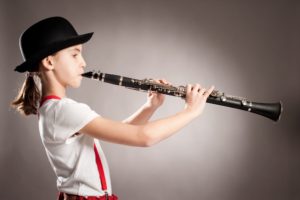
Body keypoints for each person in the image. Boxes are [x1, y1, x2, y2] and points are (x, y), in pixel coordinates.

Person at [11, 16, 214, 200]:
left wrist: (150, 106)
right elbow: (144, 137)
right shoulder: (63, 110)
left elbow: (123, 130)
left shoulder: (54, 110)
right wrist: (191, 111)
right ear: (49, 62)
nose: (83, 63)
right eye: (75, 55)